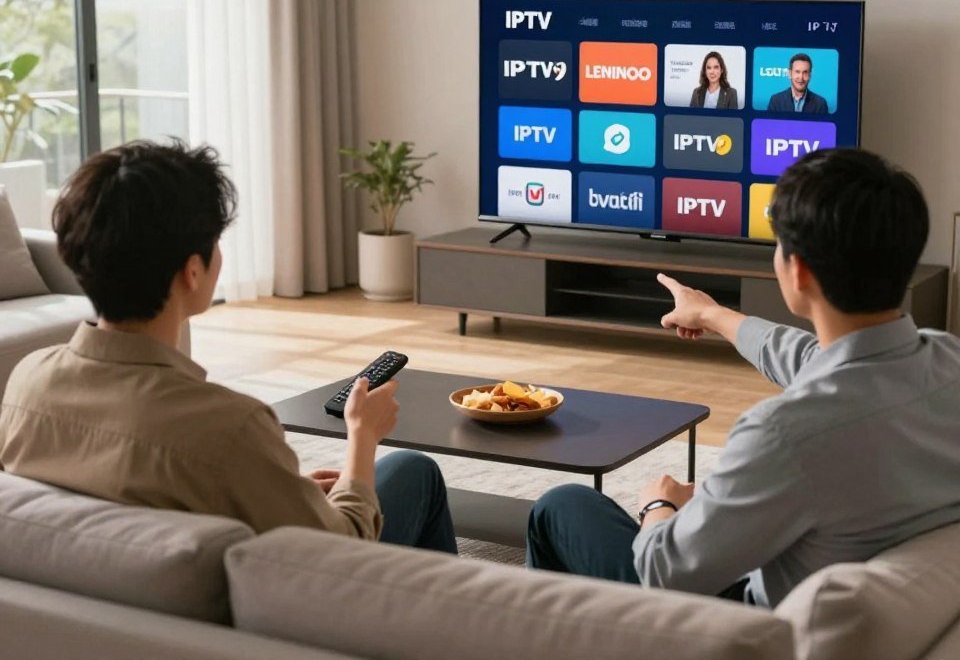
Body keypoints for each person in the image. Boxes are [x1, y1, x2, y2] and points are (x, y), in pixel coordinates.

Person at [526, 148, 960, 607]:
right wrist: (712, 315)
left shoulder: (784, 434)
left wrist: (660, 504)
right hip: (888, 607)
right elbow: (814, 359)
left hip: (749, 624)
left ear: (799, 270)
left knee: (561, 506)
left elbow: (662, 573)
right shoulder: (946, 360)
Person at [0, 140, 457, 553]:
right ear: (192, 271)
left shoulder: (27, 384)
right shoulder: (229, 427)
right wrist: (362, 436)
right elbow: (342, 551)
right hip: (288, 608)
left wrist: (280, 488)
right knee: (414, 470)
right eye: (215, 243)